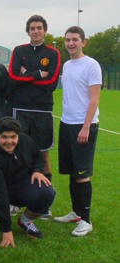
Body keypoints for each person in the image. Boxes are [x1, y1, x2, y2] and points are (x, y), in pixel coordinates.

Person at [0, 117, 56, 247]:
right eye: (4, 137)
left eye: (13, 137)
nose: (9, 141)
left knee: (46, 192)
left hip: (15, 183)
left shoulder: (26, 140)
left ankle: (25, 221)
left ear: (18, 136)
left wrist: (37, 171)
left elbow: (38, 157)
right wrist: (6, 230)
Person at [8, 15, 60, 219]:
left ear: (45, 30)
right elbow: (13, 78)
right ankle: (15, 201)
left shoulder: (53, 53)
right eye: (32, 28)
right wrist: (40, 74)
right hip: (19, 110)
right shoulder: (19, 50)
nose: (36, 31)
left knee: (43, 153)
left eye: (39, 28)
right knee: (15, 153)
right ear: (27, 31)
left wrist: (26, 75)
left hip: (43, 111)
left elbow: (52, 83)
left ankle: (44, 201)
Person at [53, 26, 101, 237]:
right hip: (67, 123)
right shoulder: (68, 64)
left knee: (82, 174)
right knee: (72, 172)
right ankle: (76, 212)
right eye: (68, 40)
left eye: (75, 39)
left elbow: (94, 98)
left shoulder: (92, 65)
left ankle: (87, 221)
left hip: (84, 126)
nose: (71, 43)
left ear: (83, 42)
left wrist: (86, 126)